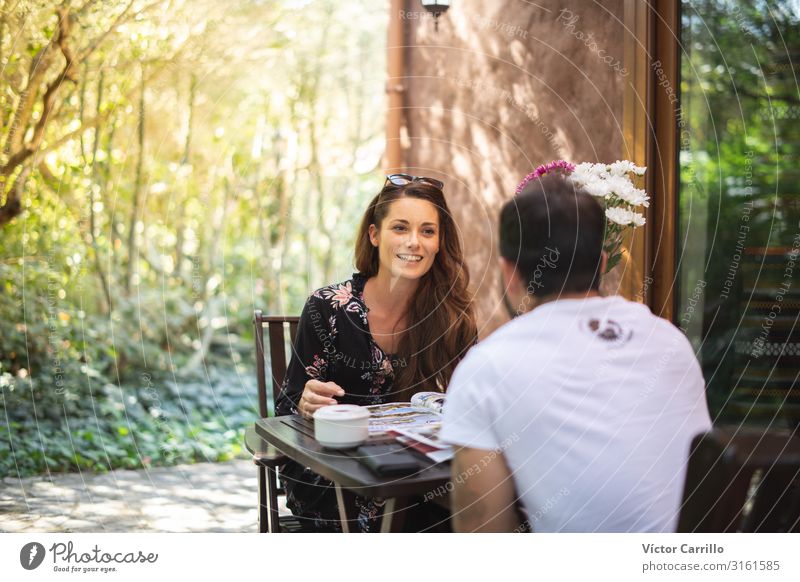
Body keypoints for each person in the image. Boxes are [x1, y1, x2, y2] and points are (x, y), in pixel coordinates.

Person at [441, 174, 712, 532]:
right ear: (601, 264)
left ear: (510, 274)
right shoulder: (671, 342)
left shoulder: (488, 369)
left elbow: (484, 536)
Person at [275, 174, 478, 532]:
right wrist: (307, 403)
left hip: (417, 473)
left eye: (428, 231)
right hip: (333, 474)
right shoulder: (328, 308)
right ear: (374, 235)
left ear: (439, 242)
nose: (414, 242)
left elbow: (474, 401)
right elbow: (288, 408)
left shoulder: (451, 315)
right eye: (400, 228)